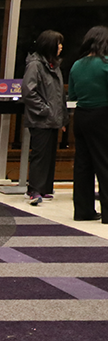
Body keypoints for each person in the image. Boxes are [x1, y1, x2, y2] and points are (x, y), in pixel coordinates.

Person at [21, 30, 69, 206]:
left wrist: (62, 118)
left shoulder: (54, 65)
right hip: (40, 119)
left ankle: (45, 188)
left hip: (53, 118)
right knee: (40, 155)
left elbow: (60, 96)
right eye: (58, 43)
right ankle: (34, 189)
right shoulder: (35, 65)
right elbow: (28, 91)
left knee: (49, 154)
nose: (61, 47)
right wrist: (45, 110)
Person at [68, 25, 108, 223]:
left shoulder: (77, 65)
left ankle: (83, 211)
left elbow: (73, 95)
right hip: (102, 115)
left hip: (81, 116)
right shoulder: (105, 64)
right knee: (104, 163)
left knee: (83, 165)